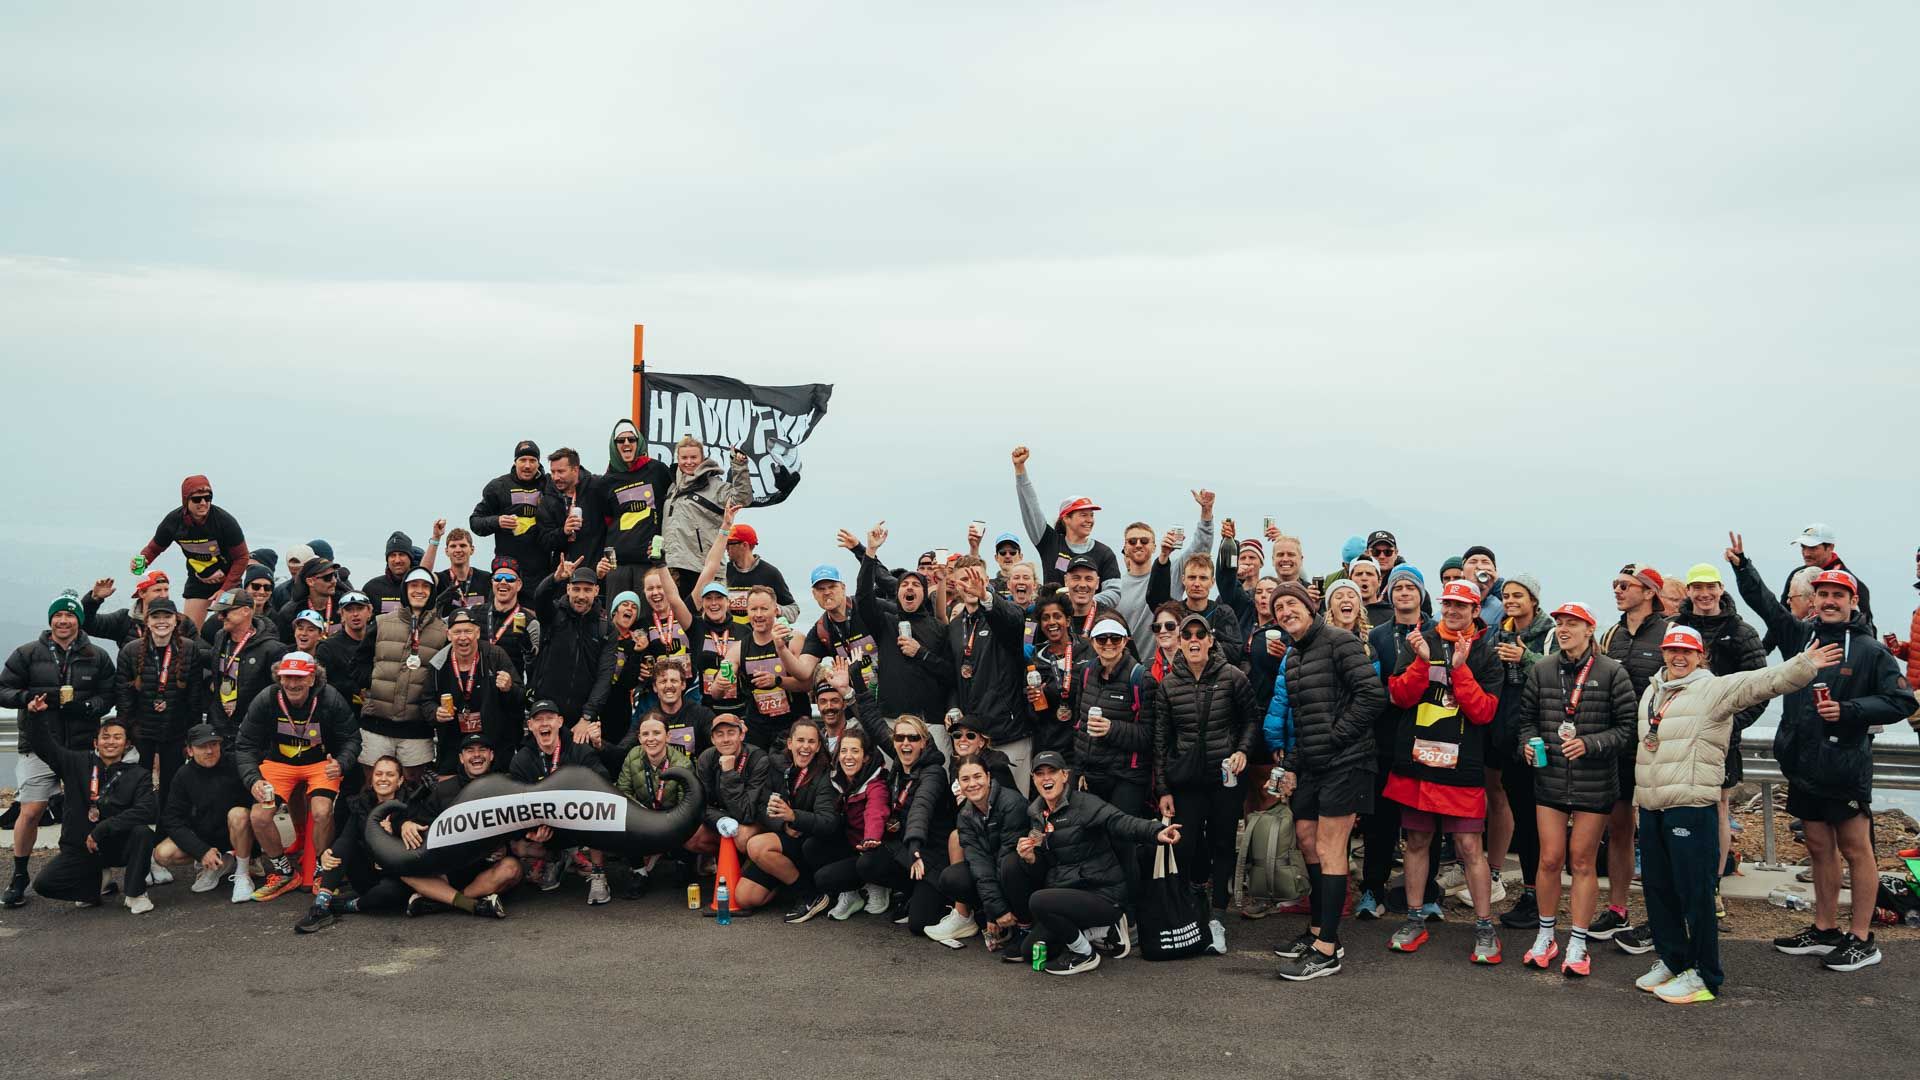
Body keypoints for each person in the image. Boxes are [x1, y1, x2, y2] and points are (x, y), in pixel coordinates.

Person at [1729, 535, 1910, 972]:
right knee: (1816, 845)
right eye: (1823, 594)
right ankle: (1824, 927)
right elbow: (1768, 607)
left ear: (1853, 601)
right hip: (1803, 761)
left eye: (1837, 595)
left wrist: (1847, 711)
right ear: (1813, 601)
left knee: (1854, 848)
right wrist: (1743, 568)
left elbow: (1903, 702)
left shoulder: (1869, 650)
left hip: (1845, 763)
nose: (1829, 601)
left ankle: (1862, 938)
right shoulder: (1801, 638)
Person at [1633, 627, 1836, 1003]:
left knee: (1695, 893)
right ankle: (1673, 960)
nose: (1679, 657)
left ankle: (1705, 974)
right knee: (1658, 891)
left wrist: (1805, 664)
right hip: (1651, 804)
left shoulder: (1714, 689)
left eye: (1687, 651)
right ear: (1663, 652)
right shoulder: (1652, 690)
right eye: (1673, 649)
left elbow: (1764, 682)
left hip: (1691, 806)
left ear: (1700, 656)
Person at [1380, 580, 1505, 964]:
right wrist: (1420, 662)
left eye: (1462, 606)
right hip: (1417, 762)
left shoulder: (1485, 652)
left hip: (1462, 766)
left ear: (1475, 610)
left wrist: (1461, 669)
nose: (1453, 611)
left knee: (1470, 847)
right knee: (1416, 841)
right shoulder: (1419, 640)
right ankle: (1415, 918)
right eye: (1448, 603)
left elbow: (1484, 711)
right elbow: (1399, 696)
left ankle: (1485, 926)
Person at [1269, 581, 1387, 981]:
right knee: (1305, 837)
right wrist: (1292, 767)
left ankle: (1327, 949)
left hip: (1349, 761)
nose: (1286, 611)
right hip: (1314, 764)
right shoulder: (1294, 658)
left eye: (1291, 604)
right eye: (1278, 608)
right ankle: (1319, 928)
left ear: (1309, 605)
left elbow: (1372, 696)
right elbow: (1302, 724)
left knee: (1329, 846)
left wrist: (1336, 737)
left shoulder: (1340, 641)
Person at [1512, 602, 1637, 975]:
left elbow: (1627, 729)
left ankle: (1579, 942)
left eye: (1573, 624)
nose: (1565, 629)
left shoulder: (1612, 671)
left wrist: (1590, 744)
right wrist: (1528, 746)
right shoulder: (1542, 669)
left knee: (1581, 860)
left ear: (1589, 629)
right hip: (1549, 779)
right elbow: (1526, 722)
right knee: (1549, 859)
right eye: (1561, 623)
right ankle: (1546, 935)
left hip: (1594, 782)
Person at [1015, 752, 1181, 975]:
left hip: (1102, 894)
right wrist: (1030, 858)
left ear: (1065, 776)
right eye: (1040, 774)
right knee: (1030, 950)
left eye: (1052, 772)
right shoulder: (1036, 813)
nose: (1046, 778)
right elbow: (1047, 863)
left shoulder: (1085, 804)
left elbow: (1120, 821)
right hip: (1068, 894)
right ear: (1033, 779)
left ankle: (1085, 953)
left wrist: (1157, 831)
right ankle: (1101, 933)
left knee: (1038, 901)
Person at [1, 591, 117, 905]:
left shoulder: (97, 656)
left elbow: (109, 697)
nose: (63, 621)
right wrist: (27, 700)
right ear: (51, 619)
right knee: (31, 810)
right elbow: (4, 690)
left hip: (81, 747)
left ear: (78, 621)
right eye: (58, 616)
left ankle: (93, 874)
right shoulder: (27, 653)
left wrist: (87, 706)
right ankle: (20, 874)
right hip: (39, 744)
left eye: (69, 616)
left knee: (87, 813)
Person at [1151, 611, 1257, 944]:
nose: (1194, 640)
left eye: (1200, 635)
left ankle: (1218, 916)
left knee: (1223, 843)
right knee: (1187, 846)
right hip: (1186, 780)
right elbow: (1160, 740)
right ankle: (1191, 906)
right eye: (1187, 635)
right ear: (1180, 642)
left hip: (1225, 778)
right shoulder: (1168, 685)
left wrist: (1242, 750)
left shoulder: (1233, 676)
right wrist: (1163, 788)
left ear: (1211, 640)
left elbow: (1252, 720)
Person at [1670, 563, 1767, 918]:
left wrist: (1730, 726)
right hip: (1677, 737)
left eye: (1710, 587)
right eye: (1697, 588)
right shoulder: (1675, 629)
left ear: (1721, 589)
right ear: (1689, 592)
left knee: (1718, 811)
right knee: (1679, 810)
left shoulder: (1742, 632)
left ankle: (1712, 888)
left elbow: (1759, 690)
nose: (1704, 594)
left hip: (1722, 740)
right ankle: (1683, 886)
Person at [235, 651, 361, 902]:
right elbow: (245, 744)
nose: (293, 683)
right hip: (279, 763)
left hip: (319, 764)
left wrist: (341, 763)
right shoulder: (267, 698)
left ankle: (322, 868)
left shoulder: (330, 697)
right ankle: (283, 871)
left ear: (312, 678)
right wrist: (253, 779)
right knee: (259, 816)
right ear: (279, 678)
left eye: (299, 677)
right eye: (287, 677)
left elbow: (352, 739)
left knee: (322, 811)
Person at [1593, 562, 1670, 953]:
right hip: (1620, 745)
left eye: (1626, 585)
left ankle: (1661, 918)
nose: (1618, 590)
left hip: (1659, 746)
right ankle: (1618, 908)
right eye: (1615, 585)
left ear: (1649, 591)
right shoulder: (1611, 634)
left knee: (1657, 834)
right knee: (1620, 830)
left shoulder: (1670, 632)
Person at [19, 710, 156, 913]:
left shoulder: (139, 774)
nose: (111, 742)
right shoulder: (76, 762)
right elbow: (44, 746)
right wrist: (34, 716)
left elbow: (146, 810)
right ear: (96, 742)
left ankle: (135, 893)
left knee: (142, 832)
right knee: (44, 884)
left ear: (127, 744)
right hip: (82, 847)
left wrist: (102, 829)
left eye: (117, 737)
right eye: (105, 737)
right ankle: (94, 887)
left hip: (118, 844)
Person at [1355, 566, 1429, 920]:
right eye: (1397, 586)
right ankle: (1372, 889)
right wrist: (1394, 695)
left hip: (1427, 735)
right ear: (1388, 594)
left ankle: (1427, 894)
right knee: (1379, 823)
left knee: (1424, 823)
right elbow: (1369, 684)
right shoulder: (1377, 635)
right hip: (1383, 736)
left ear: (1420, 594)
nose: (1403, 592)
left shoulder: (1435, 631)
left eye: (1410, 587)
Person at [852, 714, 955, 935]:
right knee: (867, 863)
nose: (905, 743)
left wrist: (915, 845)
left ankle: (947, 901)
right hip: (909, 850)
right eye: (899, 738)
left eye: (913, 738)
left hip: (932, 854)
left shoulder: (934, 773)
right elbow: (876, 725)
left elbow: (921, 807)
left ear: (924, 743)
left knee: (918, 925)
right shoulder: (901, 766)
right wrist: (853, 692)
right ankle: (911, 891)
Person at [394, 739, 520, 919]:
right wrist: (404, 824)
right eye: (470, 751)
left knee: (512, 868)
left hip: (488, 868)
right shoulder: (443, 789)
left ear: (491, 755)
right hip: (449, 867)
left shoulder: (506, 786)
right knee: (403, 870)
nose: (476, 755)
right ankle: (472, 904)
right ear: (461, 758)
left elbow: (519, 826)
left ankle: (439, 900)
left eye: (482, 750)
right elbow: (415, 818)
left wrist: (505, 846)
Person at [1487, 573, 1550, 925]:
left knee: (1537, 822)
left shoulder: (1551, 631)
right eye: (1507, 595)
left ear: (1534, 600)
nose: (1511, 600)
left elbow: (1558, 671)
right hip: (1506, 736)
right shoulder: (1500, 632)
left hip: (1539, 737)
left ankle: (1540, 896)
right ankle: (1530, 893)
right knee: (1522, 818)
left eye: (1518, 595)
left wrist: (1525, 657)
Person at [294, 754, 414, 932]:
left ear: (400, 780)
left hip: (396, 876)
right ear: (371, 779)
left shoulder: (411, 804)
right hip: (367, 873)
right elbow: (346, 839)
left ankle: (350, 905)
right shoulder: (362, 802)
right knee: (339, 850)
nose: (383, 779)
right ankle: (320, 906)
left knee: (388, 893)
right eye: (379, 774)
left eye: (390, 775)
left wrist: (394, 833)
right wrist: (327, 854)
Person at [510, 701, 615, 903]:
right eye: (538, 720)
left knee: (598, 815)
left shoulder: (578, 748)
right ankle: (556, 858)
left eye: (549, 718)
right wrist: (530, 831)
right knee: (520, 847)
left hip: (581, 820)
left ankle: (599, 874)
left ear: (560, 722)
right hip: (547, 825)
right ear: (530, 725)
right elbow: (516, 802)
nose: (544, 724)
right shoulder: (521, 759)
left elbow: (603, 780)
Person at [737, 717, 842, 917]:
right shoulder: (775, 766)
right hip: (782, 836)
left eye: (811, 742)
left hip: (808, 842)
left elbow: (828, 823)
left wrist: (795, 817)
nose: (805, 747)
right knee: (745, 898)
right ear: (790, 743)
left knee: (755, 845)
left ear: (819, 746)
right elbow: (761, 806)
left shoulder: (825, 775)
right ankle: (787, 879)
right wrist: (784, 824)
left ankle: (810, 894)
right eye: (800, 740)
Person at [853, 524, 953, 728]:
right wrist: (870, 552)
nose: (909, 587)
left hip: (931, 723)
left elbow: (951, 673)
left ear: (924, 593)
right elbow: (863, 597)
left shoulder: (939, 628)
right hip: (891, 721)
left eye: (916, 585)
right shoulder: (886, 622)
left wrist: (921, 653)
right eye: (904, 585)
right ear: (897, 594)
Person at [114, 597, 209, 810]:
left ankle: (167, 833)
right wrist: (128, 733)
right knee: (138, 785)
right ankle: (137, 832)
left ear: (176, 620)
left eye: (167, 616)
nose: (161, 622)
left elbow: (194, 697)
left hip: (175, 731)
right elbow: (124, 698)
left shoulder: (189, 649)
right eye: (156, 617)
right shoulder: (130, 650)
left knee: (172, 787)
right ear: (146, 621)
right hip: (141, 732)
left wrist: (190, 737)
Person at [946, 560, 1035, 787]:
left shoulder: (1002, 615)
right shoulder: (955, 626)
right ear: (956, 585)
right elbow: (953, 675)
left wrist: (986, 596)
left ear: (986, 582)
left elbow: (1014, 619)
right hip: (975, 737)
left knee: (1016, 809)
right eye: (965, 579)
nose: (971, 585)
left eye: (977, 578)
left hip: (1008, 733)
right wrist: (953, 706)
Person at [360, 567, 448, 781]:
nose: (419, 590)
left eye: (425, 586)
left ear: (432, 592)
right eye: (414, 585)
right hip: (377, 724)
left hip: (417, 727)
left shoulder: (443, 630)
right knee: (374, 786)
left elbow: (444, 676)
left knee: (413, 789)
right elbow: (359, 663)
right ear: (404, 590)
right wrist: (372, 688)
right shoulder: (382, 623)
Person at [932, 755, 1029, 948]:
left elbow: (1006, 859)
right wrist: (995, 910)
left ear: (988, 776)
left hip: (1024, 877)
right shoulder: (965, 815)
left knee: (1010, 864)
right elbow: (979, 864)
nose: (973, 784)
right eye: (965, 779)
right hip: (995, 873)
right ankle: (991, 918)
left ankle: (1025, 924)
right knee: (952, 877)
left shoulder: (1012, 803)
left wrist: (997, 910)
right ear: (959, 784)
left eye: (977, 776)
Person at [151, 723, 255, 902]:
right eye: (202, 746)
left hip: (239, 832)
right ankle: (218, 864)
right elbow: (172, 820)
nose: (209, 751)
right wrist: (201, 851)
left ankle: (243, 874)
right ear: (190, 751)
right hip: (206, 836)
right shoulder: (183, 775)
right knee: (162, 853)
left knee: (239, 814)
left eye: (214, 744)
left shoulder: (236, 763)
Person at [135, 474, 249, 629]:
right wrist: (141, 562)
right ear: (185, 500)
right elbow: (154, 548)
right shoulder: (173, 522)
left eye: (207, 498)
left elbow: (242, 557)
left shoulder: (224, 521)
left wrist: (224, 589)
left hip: (229, 581)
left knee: (231, 626)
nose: (203, 503)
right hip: (198, 580)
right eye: (197, 499)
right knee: (188, 630)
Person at [430, 608, 524, 776]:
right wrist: (434, 712)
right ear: (448, 635)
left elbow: (520, 699)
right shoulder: (438, 663)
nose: (463, 637)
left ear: (478, 633)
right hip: (453, 744)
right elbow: (425, 700)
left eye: (468, 631)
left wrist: (509, 688)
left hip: (495, 743)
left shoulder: (496, 655)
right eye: (457, 632)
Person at [1011, 446, 1120, 588]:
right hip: (1053, 610)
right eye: (1083, 515)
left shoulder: (1104, 553)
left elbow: (1114, 592)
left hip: (1090, 610)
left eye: (1091, 515)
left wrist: (1086, 602)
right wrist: (1020, 469)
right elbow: (1031, 507)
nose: (1089, 520)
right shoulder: (1049, 543)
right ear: (1066, 519)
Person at [662, 434, 755, 601]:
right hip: (673, 566)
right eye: (684, 457)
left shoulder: (714, 486)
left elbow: (742, 498)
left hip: (703, 568)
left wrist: (739, 465)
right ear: (678, 459)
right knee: (676, 622)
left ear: (702, 458)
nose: (688, 462)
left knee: (704, 621)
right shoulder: (671, 487)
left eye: (693, 457)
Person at [615, 713, 697, 899]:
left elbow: (687, 804)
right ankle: (639, 873)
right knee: (620, 821)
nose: (650, 739)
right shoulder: (632, 756)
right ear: (639, 738)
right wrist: (642, 816)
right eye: (645, 734)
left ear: (668, 736)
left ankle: (683, 863)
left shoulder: (682, 763)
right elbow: (623, 791)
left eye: (656, 733)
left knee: (688, 828)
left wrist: (663, 822)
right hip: (642, 817)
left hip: (672, 820)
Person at [813, 728, 891, 921]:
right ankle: (851, 893)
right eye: (844, 751)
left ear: (865, 757)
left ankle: (877, 885)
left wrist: (871, 837)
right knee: (812, 847)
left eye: (855, 751)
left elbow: (876, 811)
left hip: (873, 849)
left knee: (868, 862)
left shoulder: (876, 783)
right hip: (849, 846)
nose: (848, 756)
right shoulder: (834, 779)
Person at [717, 585, 809, 750]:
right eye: (753, 609)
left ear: (776, 610)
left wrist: (777, 681)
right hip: (758, 730)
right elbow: (717, 692)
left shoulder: (794, 639)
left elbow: (806, 685)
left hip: (794, 725)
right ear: (747, 612)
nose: (758, 615)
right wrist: (721, 684)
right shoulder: (738, 649)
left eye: (764, 609)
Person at [689, 712, 771, 898]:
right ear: (712, 739)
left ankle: (752, 872)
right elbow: (701, 804)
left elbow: (747, 813)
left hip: (755, 820)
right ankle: (725, 866)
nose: (725, 739)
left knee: (742, 837)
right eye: (719, 734)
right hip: (723, 815)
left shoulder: (759, 759)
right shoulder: (706, 758)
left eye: (731, 732)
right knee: (693, 837)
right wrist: (720, 819)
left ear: (741, 735)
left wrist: (728, 773)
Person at [528, 557, 610, 725]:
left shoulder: (605, 628)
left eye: (587, 590)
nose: (581, 596)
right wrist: (555, 578)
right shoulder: (553, 614)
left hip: (581, 718)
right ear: (568, 589)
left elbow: (605, 675)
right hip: (546, 712)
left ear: (596, 591)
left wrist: (587, 716)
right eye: (576, 589)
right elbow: (540, 597)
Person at [597, 420, 675, 594]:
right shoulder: (606, 481)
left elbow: (673, 508)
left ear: (638, 442)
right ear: (614, 445)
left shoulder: (657, 470)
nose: (626, 443)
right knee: (618, 617)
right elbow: (606, 523)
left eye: (631, 439)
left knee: (648, 618)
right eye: (621, 440)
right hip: (619, 564)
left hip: (650, 562)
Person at [205, 587, 287, 741]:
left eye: (225, 612)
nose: (220, 617)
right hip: (220, 725)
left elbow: (278, 695)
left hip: (252, 730)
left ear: (245, 611)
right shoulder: (220, 637)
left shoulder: (272, 649)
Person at [470, 439, 556, 583]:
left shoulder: (550, 485)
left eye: (532, 460)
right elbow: (475, 522)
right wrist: (497, 521)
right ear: (515, 462)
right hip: (507, 571)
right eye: (523, 460)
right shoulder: (498, 487)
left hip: (541, 570)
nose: (527, 466)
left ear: (539, 463)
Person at [1149, 551, 1245, 668]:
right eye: (1192, 577)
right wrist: (1163, 558)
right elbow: (1155, 596)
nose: (1197, 583)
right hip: (1178, 677)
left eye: (1203, 578)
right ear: (1183, 579)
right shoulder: (1174, 612)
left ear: (1212, 582)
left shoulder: (1223, 613)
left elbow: (1235, 653)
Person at [705, 515, 800, 627]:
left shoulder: (770, 573)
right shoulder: (723, 571)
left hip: (760, 638)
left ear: (744, 545)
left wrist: (775, 609)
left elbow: (794, 610)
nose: (725, 548)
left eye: (729, 544)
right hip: (728, 637)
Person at [1785, 523, 1872, 631]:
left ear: (1830, 547)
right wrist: (1764, 647)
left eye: (1812, 548)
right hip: (1800, 644)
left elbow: (1867, 628)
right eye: (1803, 547)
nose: (1806, 553)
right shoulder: (1798, 575)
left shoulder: (1852, 583)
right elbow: (1780, 617)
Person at [540, 446, 608, 570]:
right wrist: (563, 532)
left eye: (561, 471)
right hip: (564, 574)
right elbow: (544, 541)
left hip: (595, 571)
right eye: (553, 472)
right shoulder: (548, 499)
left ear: (575, 470)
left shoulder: (596, 487)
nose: (555, 477)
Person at [474, 557, 540, 682]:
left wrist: (528, 652)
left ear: (519, 584)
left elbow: (535, 668)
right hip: (477, 689)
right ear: (492, 582)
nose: (503, 582)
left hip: (511, 691)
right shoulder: (475, 614)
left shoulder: (531, 622)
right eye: (498, 578)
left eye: (510, 579)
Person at [82, 569, 188, 646]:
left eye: (166, 589)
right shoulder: (124, 619)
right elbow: (87, 625)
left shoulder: (181, 621)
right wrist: (94, 600)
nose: (164, 595)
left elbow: (198, 650)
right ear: (142, 593)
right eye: (158, 590)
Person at [314, 591, 376, 716]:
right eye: (349, 610)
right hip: (343, 713)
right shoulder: (328, 648)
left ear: (369, 612)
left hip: (377, 713)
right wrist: (354, 690)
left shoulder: (380, 640)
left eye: (359, 608)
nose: (355, 614)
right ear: (341, 615)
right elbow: (322, 686)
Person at [433, 528, 490, 616]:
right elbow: (421, 575)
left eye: (463, 545)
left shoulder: (486, 578)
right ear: (446, 551)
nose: (458, 550)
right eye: (453, 546)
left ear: (472, 549)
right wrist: (436, 538)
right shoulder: (440, 579)